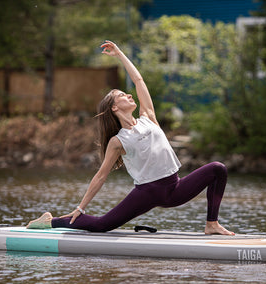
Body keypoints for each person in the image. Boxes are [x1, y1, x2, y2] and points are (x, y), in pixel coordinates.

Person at [27, 40, 234, 235]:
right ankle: (52, 221)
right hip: (147, 193)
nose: (130, 95)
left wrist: (120, 55)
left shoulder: (148, 118)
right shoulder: (118, 141)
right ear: (114, 107)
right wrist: (80, 207)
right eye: (122, 95)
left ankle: (211, 224)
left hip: (174, 188)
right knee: (102, 225)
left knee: (217, 169)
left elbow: (138, 80)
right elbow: (101, 176)